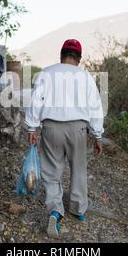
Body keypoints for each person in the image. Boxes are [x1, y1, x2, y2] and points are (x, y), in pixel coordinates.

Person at [24, 39, 104, 238]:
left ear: (61, 55)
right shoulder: (85, 77)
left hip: (51, 127)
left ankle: (55, 211)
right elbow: (95, 107)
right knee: (78, 169)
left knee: (51, 172)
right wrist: (98, 135)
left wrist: (31, 128)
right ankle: (78, 210)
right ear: (79, 59)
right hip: (78, 128)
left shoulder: (47, 73)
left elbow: (36, 101)